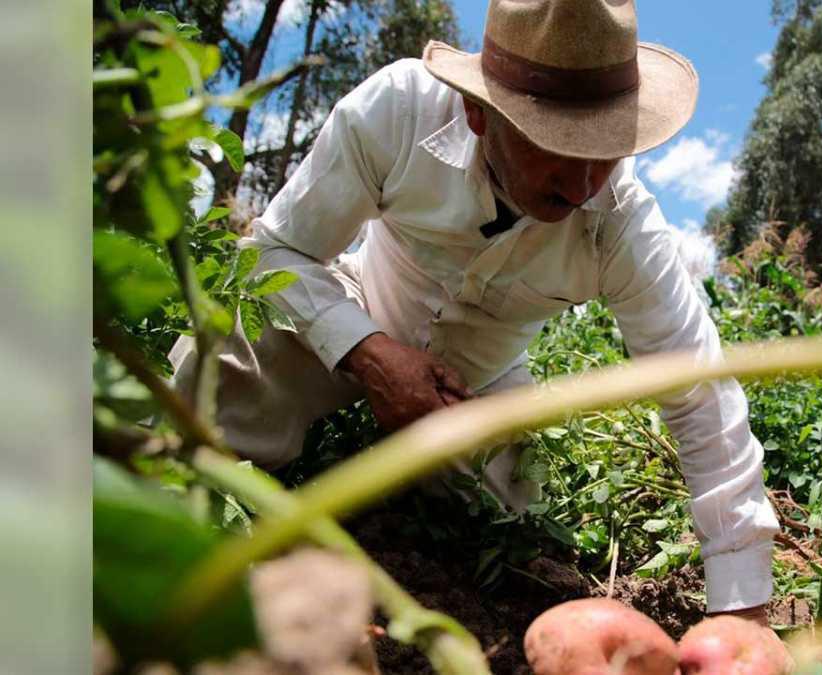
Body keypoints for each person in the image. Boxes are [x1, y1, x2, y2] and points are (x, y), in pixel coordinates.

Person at [171, 0, 782, 625]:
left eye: (605, 151)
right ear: (478, 113)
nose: (583, 185)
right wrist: (370, 353)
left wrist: (744, 608)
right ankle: (166, 510)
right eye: (557, 148)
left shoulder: (622, 224)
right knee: (217, 363)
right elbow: (278, 250)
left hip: (478, 388)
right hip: (358, 316)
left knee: (510, 527)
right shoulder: (400, 110)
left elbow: (699, 395)